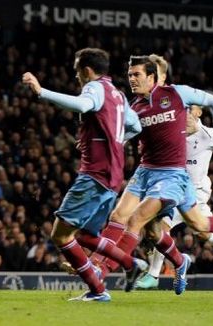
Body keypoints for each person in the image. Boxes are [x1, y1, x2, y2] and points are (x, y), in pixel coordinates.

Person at [96, 55, 213, 295]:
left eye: (136, 75)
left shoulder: (178, 96)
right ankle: (179, 261)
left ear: (153, 77)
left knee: (141, 220)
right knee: (135, 221)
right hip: (146, 171)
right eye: (129, 75)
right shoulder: (135, 107)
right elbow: (125, 134)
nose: (132, 79)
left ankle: (103, 272)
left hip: (174, 177)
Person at [22, 47, 144, 302]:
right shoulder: (118, 94)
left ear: (86, 70)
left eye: (77, 70)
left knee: (60, 234)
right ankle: (131, 264)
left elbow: (82, 104)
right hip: (112, 177)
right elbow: (135, 125)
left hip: (94, 175)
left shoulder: (95, 88)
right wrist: (113, 141)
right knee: (87, 235)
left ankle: (98, 290)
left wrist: (41, 92)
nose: (76, 75)